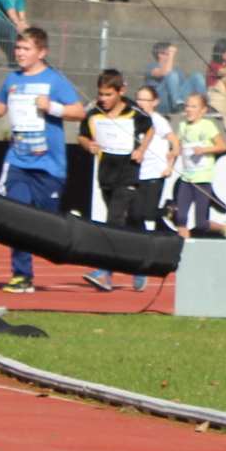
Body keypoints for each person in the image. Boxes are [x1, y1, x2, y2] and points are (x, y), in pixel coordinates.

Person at [0, 26, 86, 294]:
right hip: (18, 162)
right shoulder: (12, 79)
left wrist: (52, 107)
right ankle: (21, 275)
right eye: (18, 48)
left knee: (47, 226)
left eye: (26, 49)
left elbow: (79, 112)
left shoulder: (54, 80)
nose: (20, 53)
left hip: (49, 165)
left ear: (41, 52)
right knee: (18, 218)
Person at [79, 69, 155, 293]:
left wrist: (141, 150)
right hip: (106, 175)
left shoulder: (133, 112)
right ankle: (141, 264)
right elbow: (82, 135)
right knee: (132, 222)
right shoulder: (94, 113)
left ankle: (105, 272)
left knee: (113, 220)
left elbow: (150, 129)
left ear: (121, 91)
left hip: (128, 175)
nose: (103, 99)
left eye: (108, 94)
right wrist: (89, 145)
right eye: (101, 94)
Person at [171, 93, 226, 234]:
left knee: (201, 223)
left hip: (203, 179)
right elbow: (178, 147)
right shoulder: (183, 126)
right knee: (180, 218)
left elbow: (222, 146)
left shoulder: (208, 126)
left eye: (193, 107)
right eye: (187, 106)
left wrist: (204, 150)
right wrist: (172, 155)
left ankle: (223, 228)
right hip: (186, 178)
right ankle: (182, 246)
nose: (189, 109)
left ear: (203, 110)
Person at [131, 85, 174, 231]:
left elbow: (175, 144)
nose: (141, 103)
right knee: (135, 213)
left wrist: (169, 166)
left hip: (156, 172)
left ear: (155, 102)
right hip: (139, 172)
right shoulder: (135, 119)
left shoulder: (158, 120)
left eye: (145, 100)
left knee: (149, 213)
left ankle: (168, 211)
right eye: (138, 99)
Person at [142, 41, 202, 116]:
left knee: (197, 76)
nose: (171, 55)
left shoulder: (177, 70)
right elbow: (165, 73)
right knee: (171, 74)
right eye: (168, 53)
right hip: (160, 100)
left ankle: (202, 104)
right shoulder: (151, 66)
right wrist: (171, 54)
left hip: (178, 99)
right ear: (160, 54)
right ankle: (177, 104)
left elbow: (182, 88)